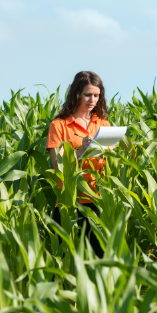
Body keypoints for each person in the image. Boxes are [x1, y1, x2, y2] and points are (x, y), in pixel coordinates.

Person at [46, 71, 110, 257]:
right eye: (87, 94)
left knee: (99, 260)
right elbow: (58, 166)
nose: (92, 100)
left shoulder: (103, 124)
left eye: (96, 95)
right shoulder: (59, 126)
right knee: (67, 260)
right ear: (76, 94)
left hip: (98, 201)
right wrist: (81, 151)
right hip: (69, 204)